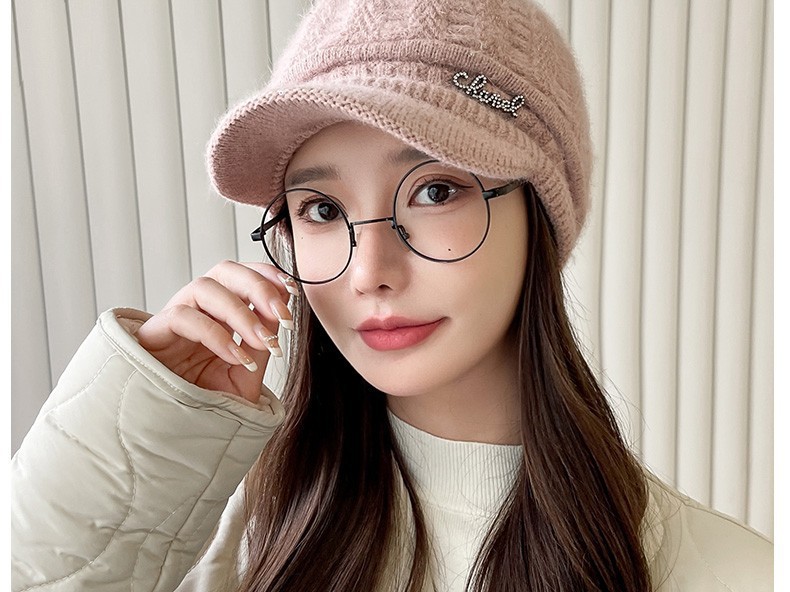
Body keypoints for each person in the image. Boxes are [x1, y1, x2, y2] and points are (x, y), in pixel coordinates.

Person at [11, 0, 772, 590]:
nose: (369, 270)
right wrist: (149, 427)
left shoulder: (729, 573)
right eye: (321, 209)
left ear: (538, 216)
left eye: (435, 191)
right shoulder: (230, 538)